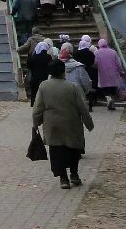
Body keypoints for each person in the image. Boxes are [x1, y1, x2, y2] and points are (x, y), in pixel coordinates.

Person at [32, 59, 94, 189]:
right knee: (73, 149)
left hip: (52, 125)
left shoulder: (44, 86)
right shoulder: (72, 87)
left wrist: (36, 123)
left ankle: (63, 179)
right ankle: (74, 174)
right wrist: (89, 124)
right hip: (71, 123)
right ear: (63, 71)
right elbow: (82, 107)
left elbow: (38, 107)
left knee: (56, 151)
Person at [94, 38, 126, 110]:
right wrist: (121, 72)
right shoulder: (113, 52)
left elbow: (95, 63)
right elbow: (118, 63)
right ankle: (113, 104)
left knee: (104, 88)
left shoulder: (97, 52)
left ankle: (108, 99)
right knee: (113, 89)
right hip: (113, 74)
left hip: (102, 74)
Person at [73, 39, 98, 109]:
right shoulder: (90, 53)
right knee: (90, 85)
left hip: (79, 70)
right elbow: (93, 61)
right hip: (89, 70)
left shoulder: (76, 53)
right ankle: (92, 101)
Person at [27, 40, 53, 108]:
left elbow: (29, 66)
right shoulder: (48, 57)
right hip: (44, 78)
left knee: (34, 94)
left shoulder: (31, 57)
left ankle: (34, 106)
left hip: (34, 78)